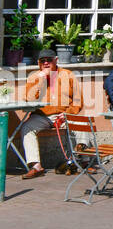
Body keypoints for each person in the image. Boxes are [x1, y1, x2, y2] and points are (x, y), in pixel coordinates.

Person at [11, 47, 83, 178]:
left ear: (56, 60)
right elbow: (28, 99)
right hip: (42, 116)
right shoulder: (34, 76)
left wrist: (68, 113)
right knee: (27, 127)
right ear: (39, 63)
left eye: (49, 60)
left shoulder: (68, 75)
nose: (45, 63)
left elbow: (78, 101)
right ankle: (36, 166)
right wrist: (39, 81)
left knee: (83, 125)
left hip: (65, 114)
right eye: (42, 61)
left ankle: (83, 163)